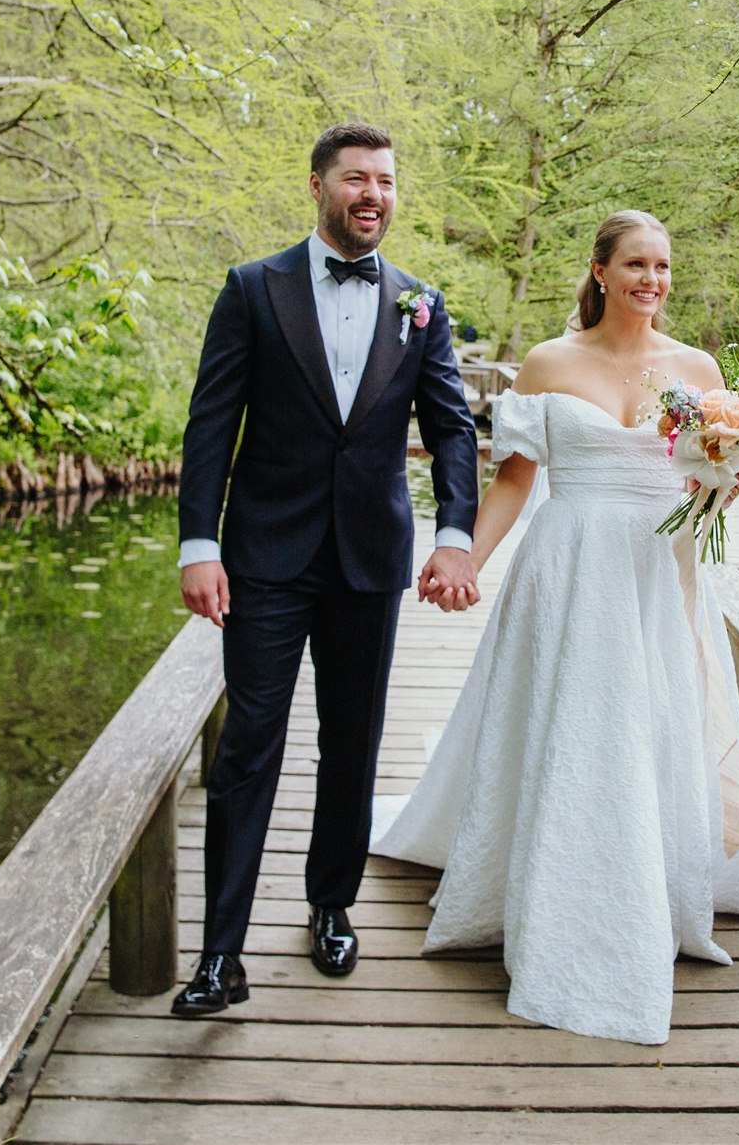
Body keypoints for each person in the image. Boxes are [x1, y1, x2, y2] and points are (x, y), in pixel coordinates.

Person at [374, 209, 739, 1046]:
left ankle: (652, 886)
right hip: (569, 569)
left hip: (657, 575)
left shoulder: (698, 368)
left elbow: (708, 480)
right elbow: (516, 482)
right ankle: (553, 892)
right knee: (576, 732)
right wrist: (464, 560)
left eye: (663, 266)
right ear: (600, 270)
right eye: (636, 263)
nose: (652, 280)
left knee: (649, 729)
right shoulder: (550, 362)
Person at [171, 121, 483, 1017]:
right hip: (264, 554)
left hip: (368, 559)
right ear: (318, 186)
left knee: (352, 743)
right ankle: (220, 954)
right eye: (356, 179)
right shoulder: (252, 289)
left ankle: (331, 903)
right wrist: (200, 543)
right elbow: (209, 426)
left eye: (385, 180)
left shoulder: (421, 304)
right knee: (246, 750)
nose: (373, 194)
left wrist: (454, 533)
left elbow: (453, 429)